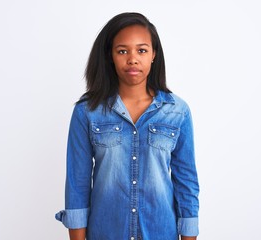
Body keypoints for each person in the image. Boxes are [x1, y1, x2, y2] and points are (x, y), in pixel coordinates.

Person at [55, 12, 200, 240]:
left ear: (153, 54)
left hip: (160, 233)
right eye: (122, 51)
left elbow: (186, 182)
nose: (132, 59)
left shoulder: (177, 112)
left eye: (141, 50)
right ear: (110, 56)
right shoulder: (87, 111)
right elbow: (77, 184)